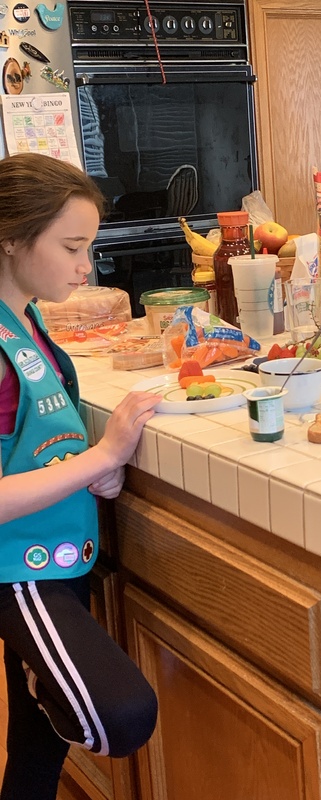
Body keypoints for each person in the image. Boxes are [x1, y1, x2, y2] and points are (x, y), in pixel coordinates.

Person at [0, 152, 162, 800]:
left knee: (36, 754)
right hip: (20, 569)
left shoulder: (27, 318)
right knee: (118, 716)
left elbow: (27, 439)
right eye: (71, 246)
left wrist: (86, 472)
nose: (85, 266)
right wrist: (103, 455)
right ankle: (48, 695)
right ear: (11, 237)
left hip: (61, 548)